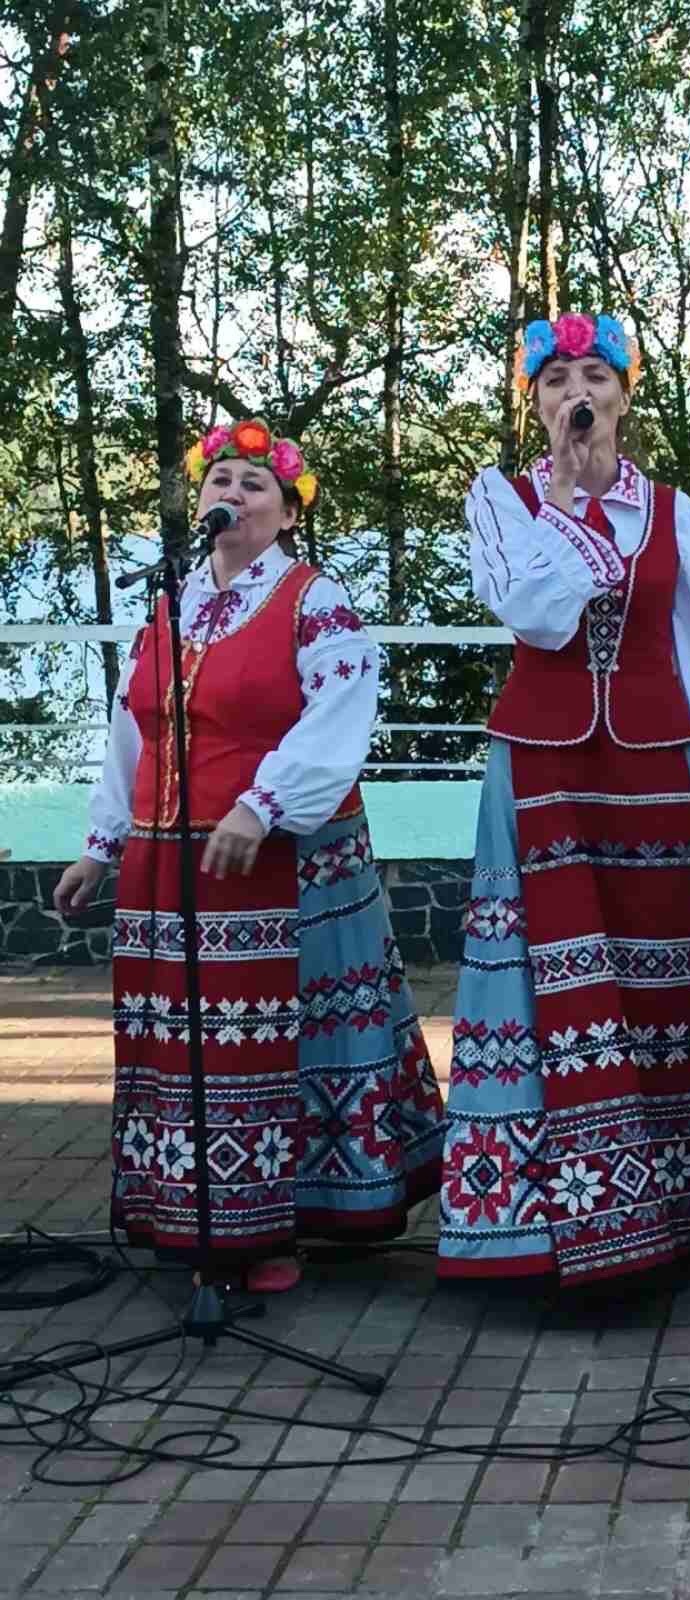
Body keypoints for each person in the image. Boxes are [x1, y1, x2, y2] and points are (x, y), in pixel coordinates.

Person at [54, 419, 447, 1292]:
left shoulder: (317, 601)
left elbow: (338, 717)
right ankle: (187, 1211)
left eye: (253, 485)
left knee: (264, 1044)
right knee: (182, 1042)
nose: (231, 494)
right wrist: (99, 844)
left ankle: (272, 1228)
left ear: (288, 512)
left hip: (269, 861)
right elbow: (134, 730)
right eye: (219, 480)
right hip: (166, 869)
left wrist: (261, 804)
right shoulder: (169, 604)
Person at [440, 312, 690, 1287]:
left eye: (591, 377)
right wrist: (567, 504)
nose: (574, 394)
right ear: (535, 404)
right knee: (546, 984)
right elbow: (533, 615)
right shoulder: (499, 502)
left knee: (658, 981)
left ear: (623, 394)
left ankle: (667, 1207)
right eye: (555, 383)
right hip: (540, 771)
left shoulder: (674, 513)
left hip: (652, 769)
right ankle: (544, 1221)